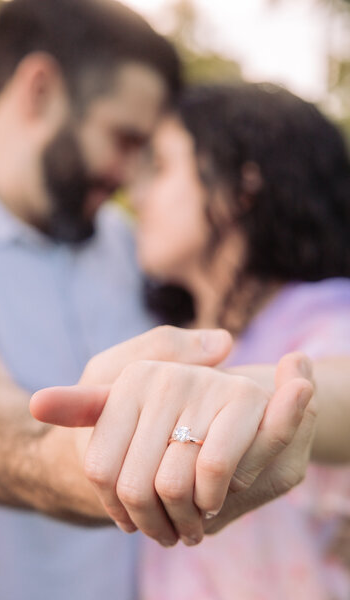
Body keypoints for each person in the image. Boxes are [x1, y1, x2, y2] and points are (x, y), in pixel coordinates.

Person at [0, 2, 316, 599]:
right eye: (123, 139)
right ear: (38, 88)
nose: (127, 177)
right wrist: (88, 466)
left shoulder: (123, 243)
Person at [127, 84, 350, 599]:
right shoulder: (170, 328)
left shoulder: (326, 316)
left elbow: (333, 391)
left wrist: (236, 398)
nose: (137, 197)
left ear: (240, 191)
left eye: (160, 168)